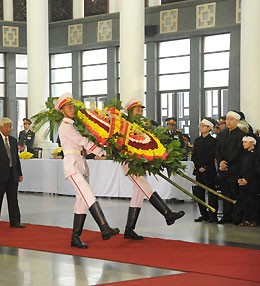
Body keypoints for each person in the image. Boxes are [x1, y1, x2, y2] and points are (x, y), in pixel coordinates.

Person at [56, 93, 118, 249]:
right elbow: (82, 141)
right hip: (72, 165)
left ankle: (75, 238)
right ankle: (104, 227)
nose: (72, 109)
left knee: (82, 202)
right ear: (62, 111)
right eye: (68, 107)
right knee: (88, 194)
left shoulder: (73, 125)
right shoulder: (65, 126)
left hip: (80, 164)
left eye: (72, 106)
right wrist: (101, 152)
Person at [118, 98, 185, 241]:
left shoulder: (142, 126)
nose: (141, 112)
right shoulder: (124, 125)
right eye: (137, 110)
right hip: (131, 163)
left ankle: (129, 229)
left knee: (138, 196)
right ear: (130, 111)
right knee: (145, 187)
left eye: (142, 110)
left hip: (140, 163)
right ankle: (167, 213)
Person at [0, 117, 25, 229]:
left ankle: (15, 221)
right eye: (7, 126)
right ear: (1, 127)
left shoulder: (13, 140)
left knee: (13, 198)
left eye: (10, 126)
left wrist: (19, 173)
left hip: (12, 174)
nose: (9, 129)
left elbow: (16, 158)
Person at [215, 110, 244, 224]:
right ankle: (226, 215)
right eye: (227, 119)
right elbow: (217, 150)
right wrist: (220, 161)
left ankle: (237, 216)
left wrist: (227, 163)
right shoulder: (221, 134)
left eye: (231, 119)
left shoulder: (241, 135)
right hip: (222, 168)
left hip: (234, 169)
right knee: (225, 193)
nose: (228, 122)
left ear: (237, 121)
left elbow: (237, 152)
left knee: (235, 193)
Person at [191, 117, 218, 223]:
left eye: (203, 125)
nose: (200, 127)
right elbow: (194, 155)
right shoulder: (197, 140)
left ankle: (213, 215)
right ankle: (204, 214)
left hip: (209, 170)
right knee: (199, 193)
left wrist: (204, 166)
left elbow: (211, 155)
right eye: (200, 125)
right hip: (199, 170)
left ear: (209, 127)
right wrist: (198, 166)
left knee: (211, 193)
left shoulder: (213, 141)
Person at [237, 133, 259, 227]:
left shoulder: (257, 154)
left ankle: (254, 219)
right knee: (244, 201)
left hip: (253, 181)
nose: (243, 144)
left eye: (245, 142)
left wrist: (247, 179)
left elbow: (255, 169)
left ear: (252, 142)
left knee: (253, 201)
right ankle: (245, 218)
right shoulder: (243, 154)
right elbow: (240, 167)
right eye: (243, 142)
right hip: (242, 180)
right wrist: (240, 178)